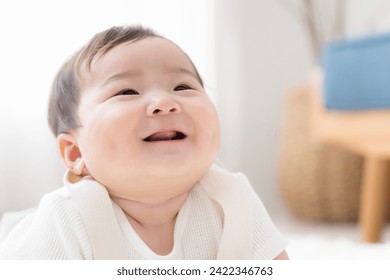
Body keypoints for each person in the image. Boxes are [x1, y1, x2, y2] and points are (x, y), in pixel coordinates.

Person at [0, 25, 288, 260]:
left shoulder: (231, 198)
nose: (165, 102)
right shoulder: (64, 220)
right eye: (127, 91)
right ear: (76, 152)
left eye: (183, 86)